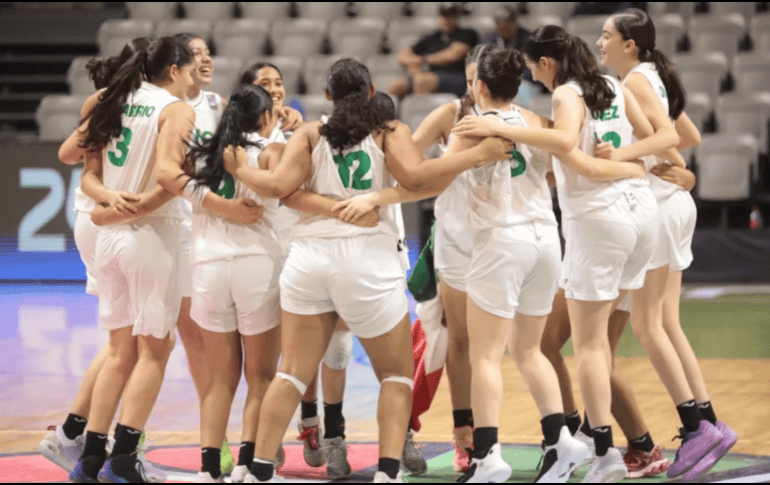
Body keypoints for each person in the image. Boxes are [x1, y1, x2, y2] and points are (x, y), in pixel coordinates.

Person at [222, 58, 512, 483]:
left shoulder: (310, 133)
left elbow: (280, 188)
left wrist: (241, 169)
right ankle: (388, 473)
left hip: (309, 259)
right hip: (367, 261)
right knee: (395, 376)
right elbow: (417, 176)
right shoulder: (387, 130)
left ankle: (258, 470)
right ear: (372, 91)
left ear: (328, 96)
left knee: (291, 373)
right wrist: (478, 155)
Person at [452, 26, 682, 482]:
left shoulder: (538, 108)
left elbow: (430, 177)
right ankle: (579, 439)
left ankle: (591, 451)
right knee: (545, 345)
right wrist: (633, 164)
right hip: (604, 225)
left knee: (565, 349)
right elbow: (662, 138)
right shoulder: (579, 100)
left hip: (555, 229)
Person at [598, 9, 737, 481]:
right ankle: (710, 421)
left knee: (647, 323)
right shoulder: (653, 75)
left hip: (658, 205)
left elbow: (674, 141)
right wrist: (679, 167)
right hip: (675, 204)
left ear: (629, 44)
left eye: (606, 35)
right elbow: (689, 134)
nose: (599, 42)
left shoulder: (636, 80)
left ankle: (696, 427)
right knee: (666, 323)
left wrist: (629, 155)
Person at [67, 36, 198, 484]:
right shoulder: (174, 109)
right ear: (175, 70)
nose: (193, 77)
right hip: (150, 234)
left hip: (110, 236)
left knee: (120, 351)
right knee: (155, 351)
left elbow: (88, 176)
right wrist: (143, 204)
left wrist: (109, 205)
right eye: (190, 68)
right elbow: (168, 176)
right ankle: (123, 459)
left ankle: (89, 460)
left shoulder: (113, 100)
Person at [40, 37, 166, 484]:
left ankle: (81, 436)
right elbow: (67, 154)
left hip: (102, 215)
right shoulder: (135, 103)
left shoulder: (112, 100)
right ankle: (90, 440)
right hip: (108, 217)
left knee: (123, 343)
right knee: (130, 345)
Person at [241, 62, 359, 480]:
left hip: (312, 246)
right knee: (278, 357)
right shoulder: (239, 136)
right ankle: (269, 434)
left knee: (333, 350)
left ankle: (321, 430)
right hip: (265, 251)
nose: (274, 89)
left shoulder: (304, 131)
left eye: (278, 82)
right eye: (264, 84)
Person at [183, 83, 286, 483]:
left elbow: (174, 180)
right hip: (256, 265)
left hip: (208, 267)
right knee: (261, 376)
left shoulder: (201, 154)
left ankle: (209, 469)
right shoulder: (270, 151)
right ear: (265, 117)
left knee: (219, 380)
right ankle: (247, 464)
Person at [389, 3, 478, 98]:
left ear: (457, 17)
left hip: (458, 77)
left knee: (423, 81)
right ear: (439, 17)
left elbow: (452, 55)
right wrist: (414, 67)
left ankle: (423, 108)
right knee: (396, 86)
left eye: (451, 16)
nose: (447, 19)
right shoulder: (431, 37)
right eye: (444, 15)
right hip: (432, 76)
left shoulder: (467, 34)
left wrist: (422, 60)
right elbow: (402, 55)